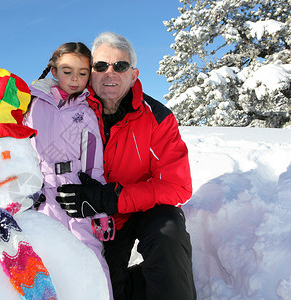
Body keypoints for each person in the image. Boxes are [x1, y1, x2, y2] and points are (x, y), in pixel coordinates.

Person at [55, 32, 197, 299]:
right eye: (100, 66)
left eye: (120, 66)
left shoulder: (158, 118)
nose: (110, 73)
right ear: (89, 73)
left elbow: (178, 186)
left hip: (140, 210)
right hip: (93, 217)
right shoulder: (67, 112)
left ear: (133, 74)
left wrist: (113, 197)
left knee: (168, 231)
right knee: (103, 285)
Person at [23, 42, 114, 298]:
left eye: (83, 73)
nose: (75, 79)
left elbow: (94, 163)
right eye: (67, 71)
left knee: (89, 255)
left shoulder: (86, 112)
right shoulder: (31, 104)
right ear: (53, 71)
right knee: (46, 259)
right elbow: (17, 146)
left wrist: (99, 209)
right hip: (39, 194)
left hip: (76, 193)